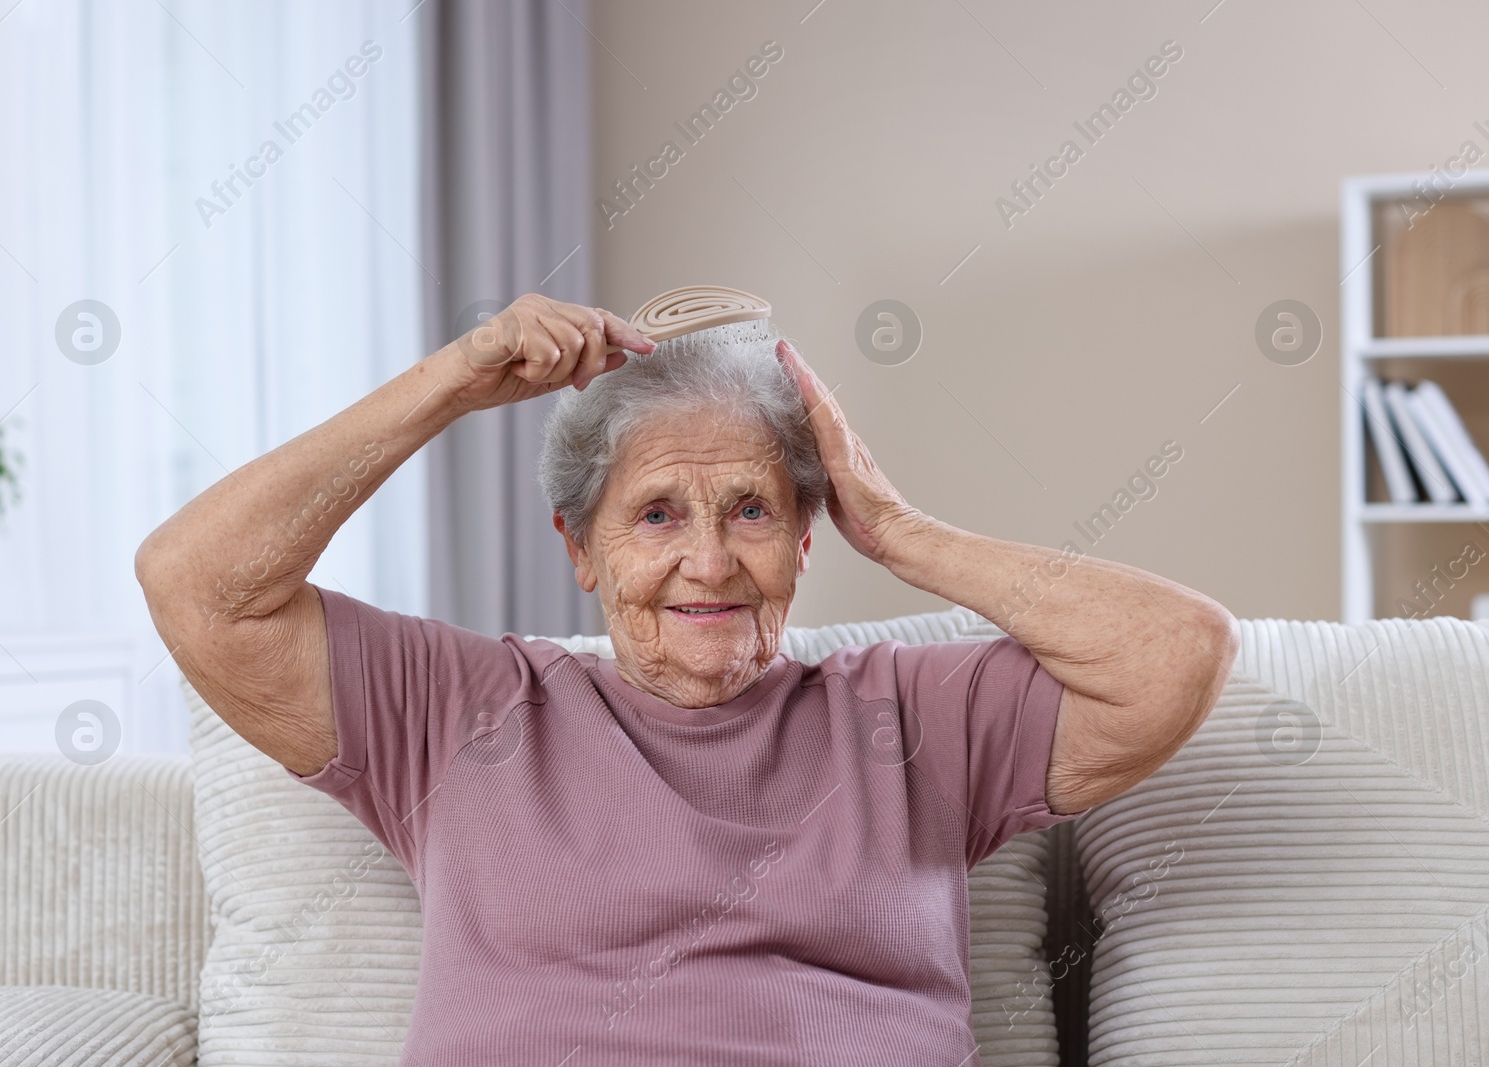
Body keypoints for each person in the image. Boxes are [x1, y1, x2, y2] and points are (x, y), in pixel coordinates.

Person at [135, 293, 1237, 1064]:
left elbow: (1177, 652)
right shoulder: (456, 710)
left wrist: (899, 529)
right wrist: (449, 382)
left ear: (809, 540)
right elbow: (197, 583)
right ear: (580, 547)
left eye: (752, 509)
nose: (707, 561)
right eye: (657, 512)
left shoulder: (913, 717)